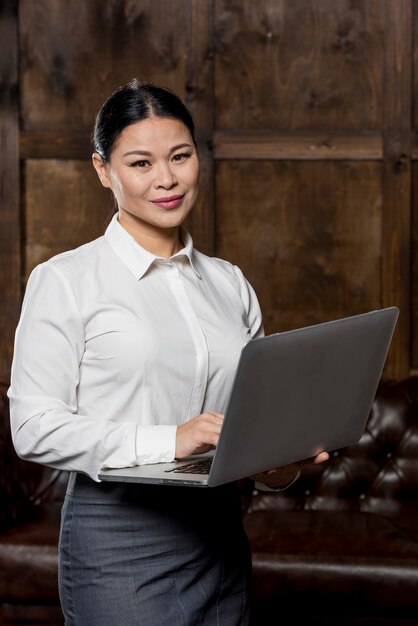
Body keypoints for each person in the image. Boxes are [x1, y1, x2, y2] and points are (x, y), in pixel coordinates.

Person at [8, 78, 329, 626]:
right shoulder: (66, 280)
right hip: (118, 540)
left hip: (221, 535)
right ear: (103, 170)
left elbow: (251, 423)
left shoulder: (229, 283)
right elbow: (32, 427)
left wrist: (281, 460)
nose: (167, 179)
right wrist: (170, 439)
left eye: (180, 156)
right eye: (140, 163)